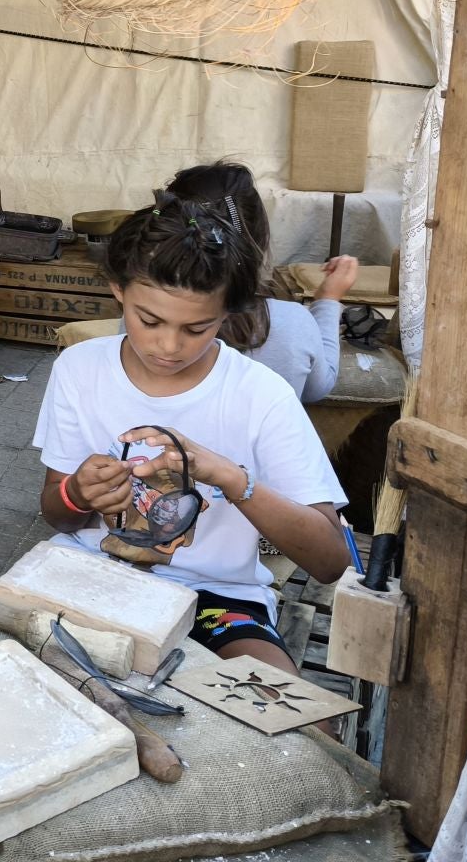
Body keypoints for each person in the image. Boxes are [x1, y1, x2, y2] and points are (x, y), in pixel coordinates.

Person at [34, 198, 350, 674]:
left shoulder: (261, 395)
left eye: (196, 328)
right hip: (90, 573)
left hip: (215, 598)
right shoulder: (79, 369)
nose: (169, 346)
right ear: (117, 290)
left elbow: (331, 562)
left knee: (291, 722)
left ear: (226, 314)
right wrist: (78, 493)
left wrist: (229, 477)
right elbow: (57, 516)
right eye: (150, 320)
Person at [144, 162, 356, 404]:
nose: (170, 345)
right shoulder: (292, 322)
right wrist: (328, 300)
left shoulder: (142, 317)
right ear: (258, 236)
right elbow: (318, 387)